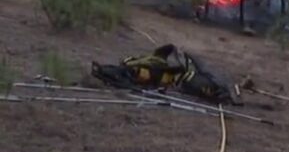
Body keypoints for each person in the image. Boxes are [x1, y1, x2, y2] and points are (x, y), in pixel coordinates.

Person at [91, 44, 235, 104]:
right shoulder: (157, 67)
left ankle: (105, 72)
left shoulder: (161, 65)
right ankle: (105, 72)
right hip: (149, 74)